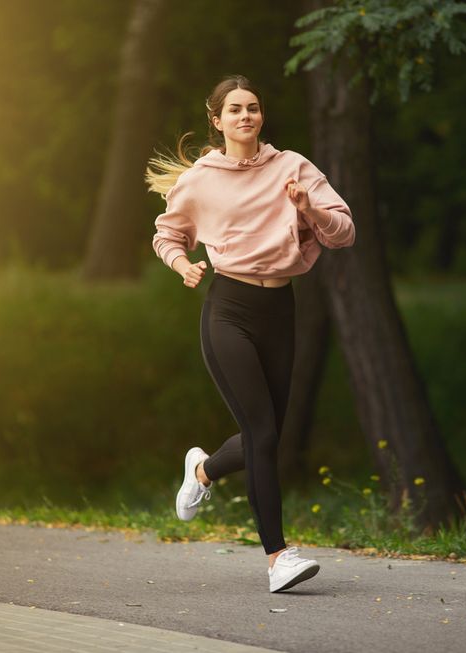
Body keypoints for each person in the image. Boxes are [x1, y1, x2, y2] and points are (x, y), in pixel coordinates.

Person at [146, 74, 355, 593]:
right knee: (262, 433)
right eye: (235, 109)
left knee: (266, 435)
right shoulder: (201, 178)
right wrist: (181, 265)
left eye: (254, 108)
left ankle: (202, 472)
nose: (246, 116)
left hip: (279, 308)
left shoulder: (294, 167)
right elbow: (167, 233)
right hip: (229, 310)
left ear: (262, 116)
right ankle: (277, 558)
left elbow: (345, 232)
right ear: (217, 121)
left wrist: (307, 208)